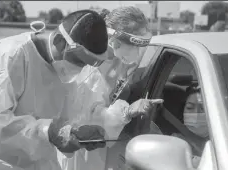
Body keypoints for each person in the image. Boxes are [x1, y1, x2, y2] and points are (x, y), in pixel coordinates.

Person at [0, 10, 111, 170]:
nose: (80, 68)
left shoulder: (65, 72)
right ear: (60, 41)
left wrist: (76, 133)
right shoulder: (11, 55)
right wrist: (49, 132)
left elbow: (60, 120)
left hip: (41, 163)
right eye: (79, 61)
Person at [59, 6, 163, 170]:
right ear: (115, 41)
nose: (140, 53)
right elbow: (86, 119)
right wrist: (126, 112)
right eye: (138, 45)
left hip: (101, 150)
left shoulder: (119, 62)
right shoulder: (91, 67)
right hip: (81, 154)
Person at [172, 85, 209, 168]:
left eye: (203, 108)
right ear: (183, 110)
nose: (196, 113)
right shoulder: (176, 141)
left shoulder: (223, 135)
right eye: (190, 108)